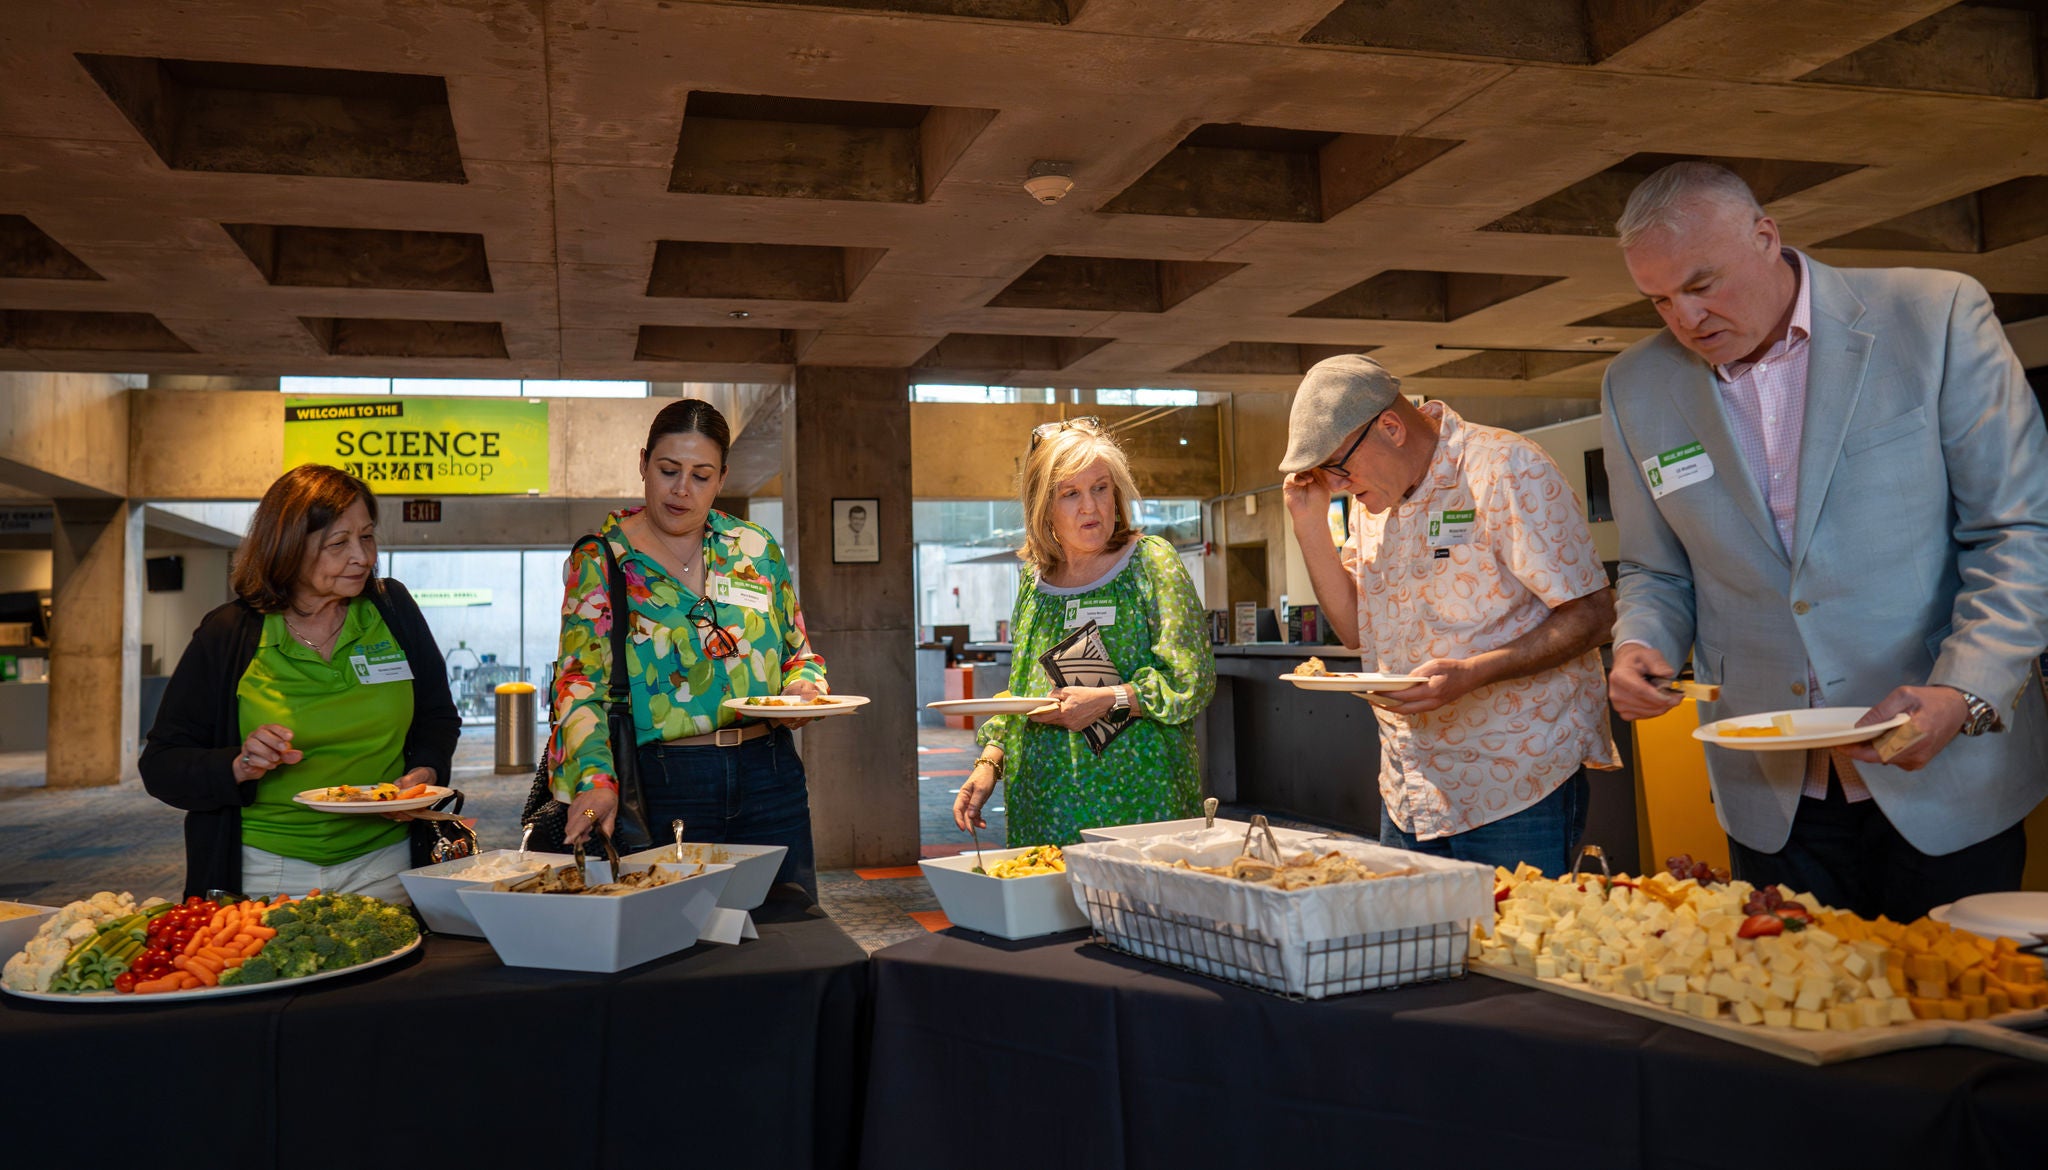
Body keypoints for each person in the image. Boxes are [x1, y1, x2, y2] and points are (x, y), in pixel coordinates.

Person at [1600, 161, 2048, 922]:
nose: (1686, 317)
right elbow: (1654, 569)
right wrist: (1640, 640)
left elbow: (2016, 531)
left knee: (1958, 1027)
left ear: (1766, 237)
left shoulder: (1932, 315)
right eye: (1660, 300)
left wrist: (1963, 691)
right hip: (1770, 795)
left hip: (1943, 770)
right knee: (1798, 1019)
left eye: (1702, 284)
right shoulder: (1634, 386)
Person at [1281, 355, 1618, 877]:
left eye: (1338, 467)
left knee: (1514, 948)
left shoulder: (1507, 467)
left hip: (1513, 784)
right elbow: (1353, 630)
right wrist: (1309, 525)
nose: (1338, 484)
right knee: (1422, 952)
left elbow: (1594, 614)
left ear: (1390, 428)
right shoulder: (1373, 504)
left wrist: (1476, 673)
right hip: (1409, 788)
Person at [550, 399, 828, 900]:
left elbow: (797, 651)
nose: (682, 490)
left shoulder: (754, 548)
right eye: (668, 470)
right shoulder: (602, 560)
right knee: (679, 943)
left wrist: (804, 687)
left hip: (771, 774)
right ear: (643, 464)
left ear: (721, 478)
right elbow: (578, 683)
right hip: (667, 783)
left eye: (701, 475)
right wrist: (595, 779)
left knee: (787, 934)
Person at [141, 465, 458, 901]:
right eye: (338, 543)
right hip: (266, 869)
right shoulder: (230, 632)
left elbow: (437, 717)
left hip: (386, 862)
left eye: (367, 537)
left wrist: (425, 770)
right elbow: (161, 765)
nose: (362, 557)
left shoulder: (392, 610)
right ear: (288, 548)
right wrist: (240, 764)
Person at [953, 418, 1214, 845]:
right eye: (1070, 494)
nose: (1089, 507)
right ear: (1044, 507)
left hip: (1138, 803)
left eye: (1100, 488)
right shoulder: (1034, 580)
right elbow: (1022, 689)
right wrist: (989, 763)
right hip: (1043, 802)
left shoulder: (1150, 564)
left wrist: (1109, 700)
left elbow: (1191, 681)